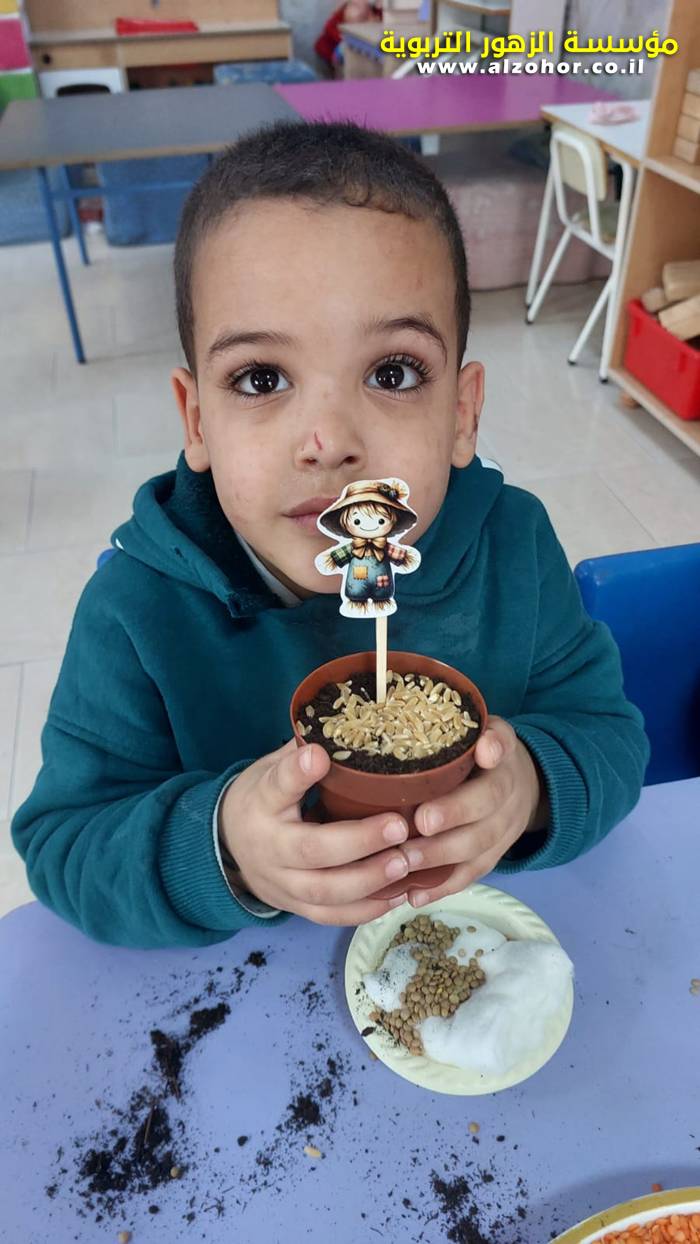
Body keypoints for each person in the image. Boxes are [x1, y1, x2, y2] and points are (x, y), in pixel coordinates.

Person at [11, 121, 649, 949]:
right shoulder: (136, 609)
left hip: (469, 942)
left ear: (463, 413)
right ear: (196, 421)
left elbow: (611, 739)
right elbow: (65, 846)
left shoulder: (513, 546)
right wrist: (225, 848)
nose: (329, 441)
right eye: (260, 379)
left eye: (392, 372)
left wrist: (530, 789)